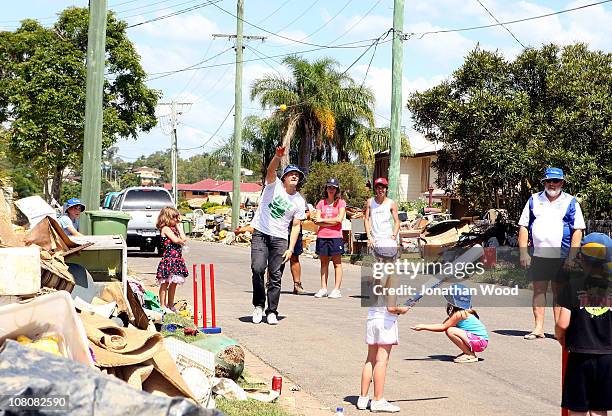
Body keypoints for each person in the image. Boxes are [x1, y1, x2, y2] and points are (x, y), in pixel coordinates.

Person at [518, 167, 586, 340]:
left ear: (562, 183)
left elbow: (578, 230)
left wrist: (572, 257)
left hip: (562, 255)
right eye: (549, 181)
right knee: (539, 291)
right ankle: (538, 328)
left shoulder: (571, 202)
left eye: (556, 181)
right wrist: (524, 253)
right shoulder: (534, 200)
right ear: (544, 182)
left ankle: (558, 330)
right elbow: (524, 226)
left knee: (559, 292)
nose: (552, 184)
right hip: (539, 254)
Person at [556, 233, 612, 416]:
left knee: (577, 408)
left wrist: (560, 337)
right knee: (599, 409)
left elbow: (563, 323)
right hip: (607, 356)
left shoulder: (573, 285)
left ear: (582, 257)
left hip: (580, 354)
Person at [250, 146, 306, 325]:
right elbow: (271, 170)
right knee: (258, 269)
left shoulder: (299, 201)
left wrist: (291, 248)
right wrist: (277, 156)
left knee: (275, 276)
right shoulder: (273, 186)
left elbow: (296, 226)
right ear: (284, 177)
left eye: (297, 175)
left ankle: (272, 310)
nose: (294, 176)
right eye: (291, 174)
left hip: (280, 239)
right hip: (261, 233)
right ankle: (259, 305)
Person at [357, 274, 409, 412]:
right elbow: (391, 308)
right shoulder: (392, 278)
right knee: (382, 361)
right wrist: (402, 309)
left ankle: (363, 398)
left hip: (372, 319)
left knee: (370, 359)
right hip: (385, 322)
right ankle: (378, 399)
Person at [412, 283, 489, 363]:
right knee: (451, 329)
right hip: (480, 342)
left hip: (480, 342)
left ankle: (469, 354)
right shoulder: (463, 312)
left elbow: (443, 327)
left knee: (450, 330)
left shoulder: (460, 314)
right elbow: (443, 325)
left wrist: (423, 327)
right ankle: (468, 352)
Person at [313, 178, 346, 298]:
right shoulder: (321, 203)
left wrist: (323, 220)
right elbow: (317, 221)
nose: (331, 190)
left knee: (337, 263)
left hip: (336, 237)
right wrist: (328, 222)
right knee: (324, 263)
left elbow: (339, 219)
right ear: (326, 189)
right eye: (329, 187)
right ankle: (323, 288)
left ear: (337, 189)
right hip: (322, 236)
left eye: (333, 187)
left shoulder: (341, 202)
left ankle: (337, 289)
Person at [155, 206, 188, 313]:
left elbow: (184, 239)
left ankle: (171, 305)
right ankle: (162, 305)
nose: (176, 220)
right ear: (167, 218)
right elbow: (176, 240)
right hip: (168, 260)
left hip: (177, 260)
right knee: (165, 283)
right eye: (174, 218)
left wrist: (179, 228)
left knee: (174, 283)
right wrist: (180, 239)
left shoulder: (175, 229)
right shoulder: (166, 229)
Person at [364, 178, 400, 261]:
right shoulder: (370, 202)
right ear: (376, 189)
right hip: (375, 239)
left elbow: (397, 222)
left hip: (388, 239)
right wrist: (369, 237)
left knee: (389, 266)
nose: (380, 190)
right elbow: (366, 219)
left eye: (383, 188)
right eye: (378, 188)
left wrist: (394, 236)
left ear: (386, 189)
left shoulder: (391, 203)